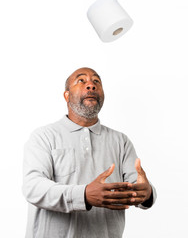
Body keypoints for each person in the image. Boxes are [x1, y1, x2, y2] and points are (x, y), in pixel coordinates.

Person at [22, 67, 156, 238]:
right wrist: (83, 195)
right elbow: (33, 188)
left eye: (96, 82)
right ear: (67, 95)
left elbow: (137, 187)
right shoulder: (44, 136)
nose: (91, 85)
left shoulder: (120, 141)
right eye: (81, 81)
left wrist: (146, 193)